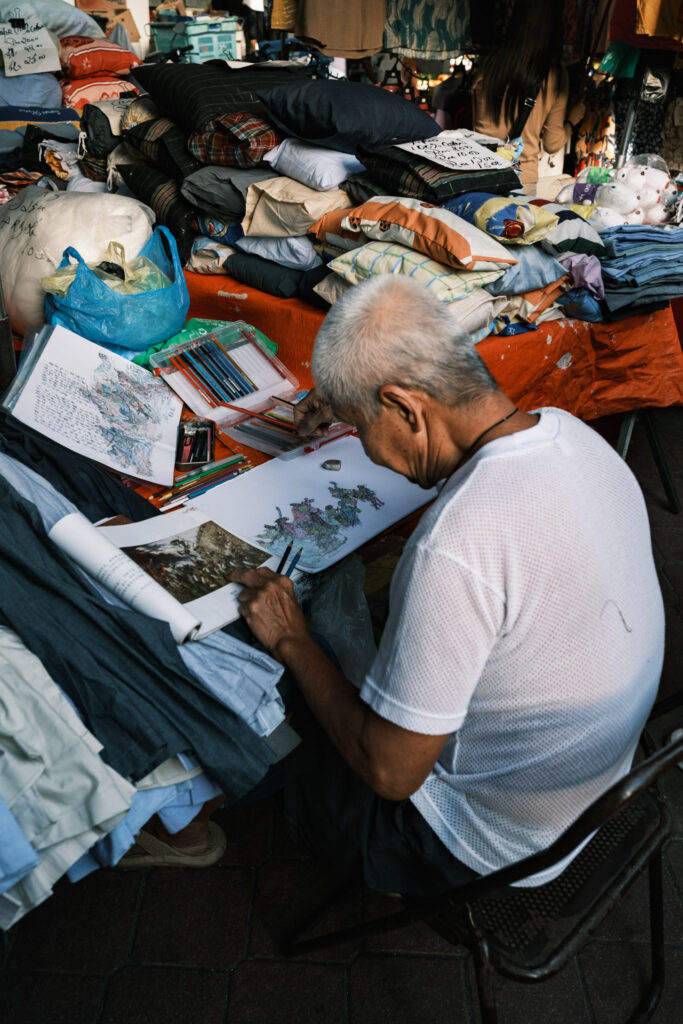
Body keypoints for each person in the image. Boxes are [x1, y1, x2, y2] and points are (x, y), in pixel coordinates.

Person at [228, 275, 664, 896]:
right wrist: (354, 401)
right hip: (599, 788)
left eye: (359, 427)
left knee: (278, 702)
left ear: (407, 409)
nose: (363, 447)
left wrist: (293, 640)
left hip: (495, 847)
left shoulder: (455, 545)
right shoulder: (574, 434)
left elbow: (391, 772)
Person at [471, 0, 585, 186]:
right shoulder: (554, 75)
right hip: (520, 179)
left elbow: (479, 126)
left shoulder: (489, 65)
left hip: (480, 174)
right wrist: (571, 120)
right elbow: (552, 144)